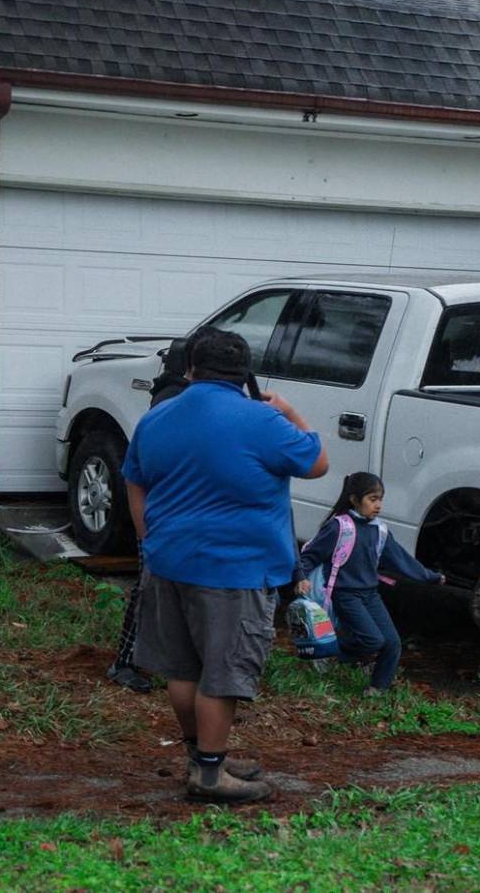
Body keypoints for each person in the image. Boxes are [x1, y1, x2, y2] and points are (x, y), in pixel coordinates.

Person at [122, 327, 328, 804]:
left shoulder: (157, 418)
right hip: (235, 570)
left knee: (183, 668)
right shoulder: (261, 420)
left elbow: (135, 481)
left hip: (169, 561)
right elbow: (316, 462)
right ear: (245, 375)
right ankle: (210, 777)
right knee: (224, 673)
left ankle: (202, 756)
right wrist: (289, 411)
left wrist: (148, 538)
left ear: (189, 369)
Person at [296, 472, 444, 694]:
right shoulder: (339, 527)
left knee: (392, 643)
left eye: (380, 499)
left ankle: (377, 688)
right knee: (372, 640)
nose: (378, 505)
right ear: (355, 500)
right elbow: (310, 555)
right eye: (372, 499)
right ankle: (326, 652)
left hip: (370, 594)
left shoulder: (379, 530)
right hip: (344, 594)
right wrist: (301, 577)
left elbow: (401, 560)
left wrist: (430, 576)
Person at [107, 352, 191, 694]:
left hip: (162, 513)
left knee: (157, 589)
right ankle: (124, 662)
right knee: (148, 589)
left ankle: (150, 660)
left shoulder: (167, 394)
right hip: (162, 515)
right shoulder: (174, 402)